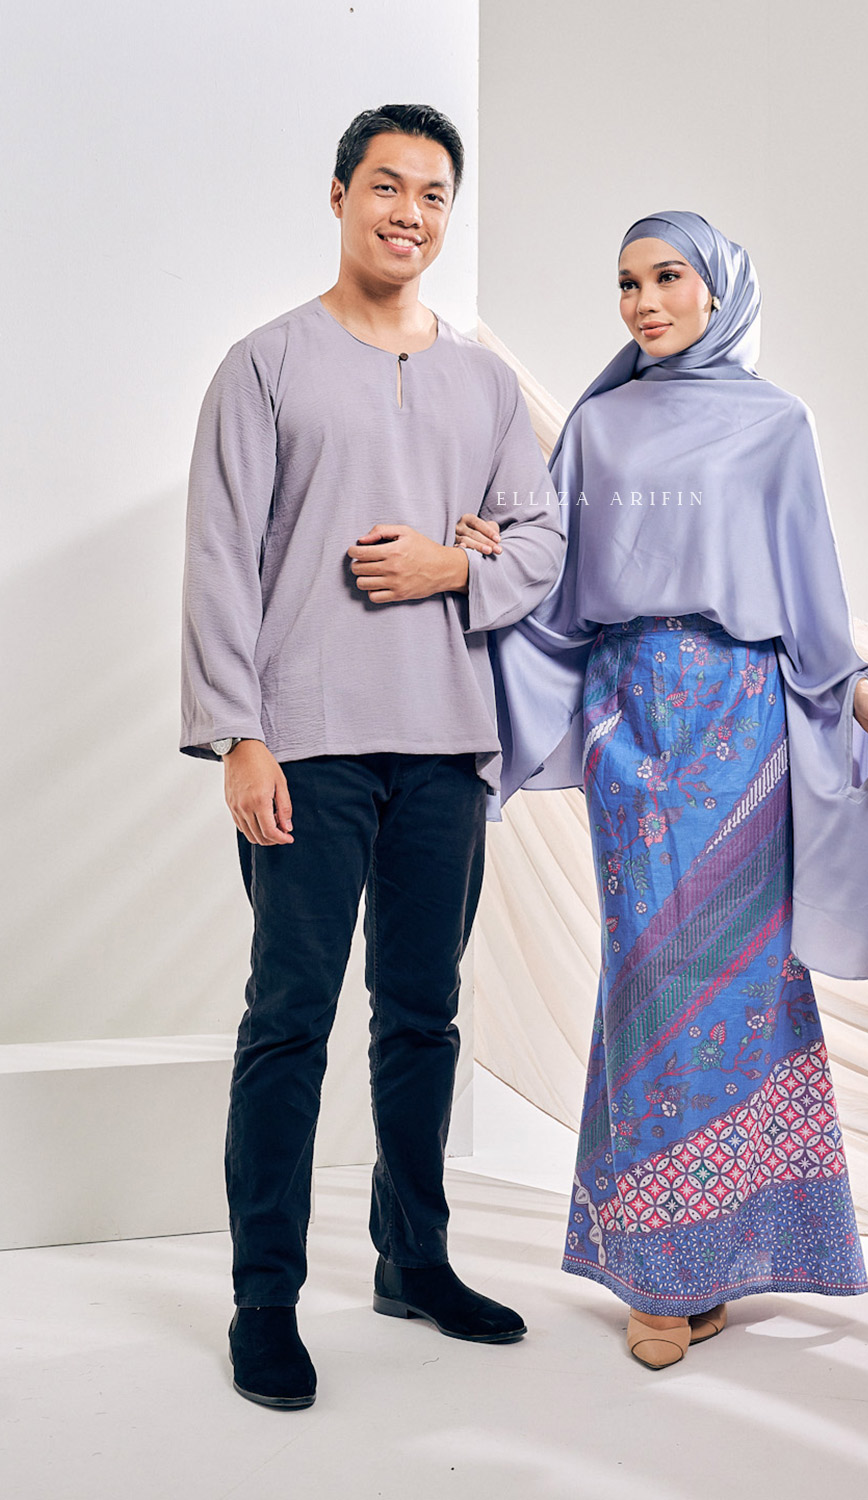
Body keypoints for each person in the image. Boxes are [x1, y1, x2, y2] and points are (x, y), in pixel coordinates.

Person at [457, 211, 868, 1368]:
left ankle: (723, 1258)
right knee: (651, 975)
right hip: (631, 724)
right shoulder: (598, 425)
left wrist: (854, 689)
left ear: (717, 290)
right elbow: (553, 580)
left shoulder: (775, 424)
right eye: (626, 283)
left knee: (748, 978)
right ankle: (658, 1275)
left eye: (666, 277)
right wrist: (491, 558)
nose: (644, 302)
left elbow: (807, 580)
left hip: (745, 724)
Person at [180, 103, 564, 1409]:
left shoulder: (484, 384)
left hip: (447, 743)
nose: (410, 213)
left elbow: (544, 539)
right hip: (308, 746)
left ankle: (415, 1260)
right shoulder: (265, 365)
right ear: (340, 195)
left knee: (422, 1017)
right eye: (388, 186)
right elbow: (220, 561)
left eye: (434, 194)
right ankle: (264, 1301)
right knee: (288, 1019)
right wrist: (240, 736)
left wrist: (456, 564)